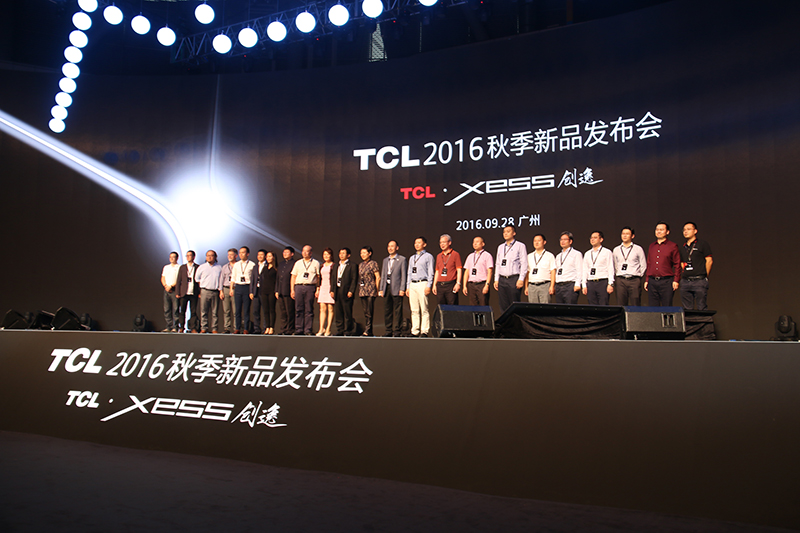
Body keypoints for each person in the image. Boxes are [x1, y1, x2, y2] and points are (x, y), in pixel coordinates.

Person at [644, 222, 681, 306]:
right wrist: (647, 279)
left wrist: (676, 280)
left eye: (661, 229)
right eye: (657, 229)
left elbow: (677, 264)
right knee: (653, 307)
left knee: (667, 306)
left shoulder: (672, 246)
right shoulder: (652, 246)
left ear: (667, 232)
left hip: (666, 281)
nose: (659, 231)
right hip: (652, 281)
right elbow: (649, 263)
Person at [493, 225, 528, 312]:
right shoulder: (500, 247)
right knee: (503, 306)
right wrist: (496, 279)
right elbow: (498, 264)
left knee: (514, 305)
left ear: (514, 233)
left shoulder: (520, 246)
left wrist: (521, 279)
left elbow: (524, 263)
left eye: (508, 231)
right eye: (504, 232)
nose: (505, 233)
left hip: (513, 279)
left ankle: (515, 321)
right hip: (502, 279)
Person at [679, 222, 713, 310]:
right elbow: (682, 262)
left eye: (689, 229)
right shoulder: (683, 247)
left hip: (699, 280)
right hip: (685, 281)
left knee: (701, 307)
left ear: (695, 231)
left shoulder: (702, 244)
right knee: (687, 309)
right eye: (684, 230)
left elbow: (709, 261)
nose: (686, 231)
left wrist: (705, 276)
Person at [405, 236, 435, 337]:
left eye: (419, 242)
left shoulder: (428, 256)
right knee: (414, 309)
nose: (417, 244)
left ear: (424, 244)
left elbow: (431, 272)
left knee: (424, 308)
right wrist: (408, 286)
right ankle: (415, 331)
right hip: (412, 284)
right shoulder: (412, 258)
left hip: (423, 283)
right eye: (415, 243)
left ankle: (424, 331)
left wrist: (429, 285)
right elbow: (409, 273)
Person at [379, 240, 407, 337]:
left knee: (397, 311)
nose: (390, 248)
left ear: (397, 248)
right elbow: (383, 275)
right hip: (386, 287)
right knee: (387, 310)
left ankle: (397, 331)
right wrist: (381, 288)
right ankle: (388, 330)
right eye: (389, 246)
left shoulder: (402, 259)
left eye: (392, 246)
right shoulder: (385, 260)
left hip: (397, 288)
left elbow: (403, 275)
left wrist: (402, 288)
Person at [612, 227, 646, 306]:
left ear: (632, 236)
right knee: (621, 304)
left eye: (627, 234)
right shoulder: (616, 249)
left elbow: (643, 265)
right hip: (621, 280)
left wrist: (638, 276)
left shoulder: (638, 249)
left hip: (634, 280)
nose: (624, 236)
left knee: (635, 303)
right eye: (623, 234)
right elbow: (615, 264)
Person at [291, 245, 321, 335]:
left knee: (309, 309)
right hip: (299, 286)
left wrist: (318, 289)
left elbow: (318, 277)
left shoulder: (316, 263)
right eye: (303, 251)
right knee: (298, 309)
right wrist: (292, 290)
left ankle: (308, 329)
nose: (304, 253)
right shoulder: (298, 263)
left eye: (306, 251)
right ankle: (299, 329)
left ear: (310, 253)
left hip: (310, 287)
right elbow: (293, 276)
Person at [581, 232, 614, 305]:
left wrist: (610, 283)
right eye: (591, 238)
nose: (592, 239)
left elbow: (610, 268)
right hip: (590, 282)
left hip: (602, 282)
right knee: (592, 306)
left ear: (601, 239)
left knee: (603, 305)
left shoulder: (607, 252)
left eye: (595, 238)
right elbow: (585, 270)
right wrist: (584, 285)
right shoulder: (587, 253)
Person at [332, 247, 357, 336]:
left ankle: (347, 330)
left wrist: (351, 290)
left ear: (348, 255)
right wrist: (332, 290)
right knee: (338, 312)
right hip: (337, 290)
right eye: (340, 253)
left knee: (347, 312)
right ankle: (340, 329)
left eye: (343, 253)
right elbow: (333, 278)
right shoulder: (336, 265)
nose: (341, 255)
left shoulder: (352, 265)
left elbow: (354, 279)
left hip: (347, 291)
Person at [230, 246, 255, 334]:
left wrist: (252, 291)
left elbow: (253, 279)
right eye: (240, 253)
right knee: (237, 310)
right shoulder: (236, 264)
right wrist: (231, 289)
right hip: (238, 287)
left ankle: (246, 328)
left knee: (246, 309)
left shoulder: (252, 264)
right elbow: (233, 277)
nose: (241, 254)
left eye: (243, 252)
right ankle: (237, 328)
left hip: (247, 287)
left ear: (247, 254)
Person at [196, 250, 222, 333]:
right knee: (204, 311)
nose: (209, 257)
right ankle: (204, 328)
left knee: (215, 312)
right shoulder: (202, 267)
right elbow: (197, 279)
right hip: (205, 291)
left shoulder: (219, 268)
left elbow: (221, 280)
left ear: (215, 257)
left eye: (211, 255)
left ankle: (214, 328)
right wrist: (202, 287)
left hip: (215, 291)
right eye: (208, 255)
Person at [462, 236, 493, 306]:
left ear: (483, 244)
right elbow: (466, 271)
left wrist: (487, 285)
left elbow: (490, 271)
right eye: (473, 242)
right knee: (473, 306)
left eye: (477, 242)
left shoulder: (487, 255)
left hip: (482, 284)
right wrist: (464, 286)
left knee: (483, 305)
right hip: (471, 285)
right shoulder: (470, 256)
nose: (475, 244)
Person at [433, 234, 462, 305]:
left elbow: (459, 270)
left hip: (450, 285)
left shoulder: (455, 254)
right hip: (440, 285)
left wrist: (458, 283)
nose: (442, 244)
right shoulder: (439, 256)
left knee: (452, 306)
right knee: (441, 307)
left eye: (444, 242)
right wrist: (434, 284)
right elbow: (437, 271)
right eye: (440, 242)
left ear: (449, 242)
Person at [525, 234, 555, 304]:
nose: (536, 242)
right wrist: (526, 286)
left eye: (539, 240)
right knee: (533, 308)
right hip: (532, 286)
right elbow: (527, 272)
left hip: (545, 285)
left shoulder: (549, 255)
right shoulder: (529, 256)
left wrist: (552, 286)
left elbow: (553, 271)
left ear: (544, 242)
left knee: (545, 308)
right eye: (535, 241)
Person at [358, 246, 381, 336]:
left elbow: (377, 277)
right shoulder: (361, 265)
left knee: (369, 311)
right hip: (363, 290)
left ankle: (368, 330)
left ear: (369, 253)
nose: (362, 255)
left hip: (371, 289)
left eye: (364, 253)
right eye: (361, 253)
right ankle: (369, 330)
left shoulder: (373, 263)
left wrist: (377, 290)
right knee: (365, 311)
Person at [554, 232, 582, 304]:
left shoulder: (576, 254)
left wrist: (578, 284)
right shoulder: (558, 256)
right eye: (561, 239)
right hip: (559, 286)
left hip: (570, 285)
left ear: (570, 241)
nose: (562, 241)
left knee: (570, 308)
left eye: (565, 239)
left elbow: (579, 270)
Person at [176, 250, 199, 333]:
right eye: (187, 255)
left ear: (194, 257)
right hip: (183, 292)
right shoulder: (182, 267)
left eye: (190, 255)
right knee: (182, 311)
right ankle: (181, 327)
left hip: (193, 292)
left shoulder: (197, 267)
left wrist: (199, 292)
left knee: (193, 311)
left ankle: (193, 327)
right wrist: (177, 292)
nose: (188, 257)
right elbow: (178, 280)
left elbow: (199, 281)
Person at [275, 246, 296, 335]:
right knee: (283, 312)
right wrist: (276, 290)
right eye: (284, 252)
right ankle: (283, 329)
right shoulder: (281, 264)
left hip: (288, 290)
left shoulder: (294, 263)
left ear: (292, 254)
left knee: (290, 311)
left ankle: (290, 329)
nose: (285, 254)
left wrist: (292, 290)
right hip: (280, 290)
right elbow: (277, 278)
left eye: (287, 252)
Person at [256, 251, 278, 334]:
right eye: (267, 256)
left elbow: (277, 281)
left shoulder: (276, 268)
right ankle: (267, 327)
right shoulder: (265, 268)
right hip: (263, 291)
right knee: (265, 310)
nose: (268, 258)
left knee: (272, 309)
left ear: (273, 257)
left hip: (272, 291)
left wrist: (276, 290)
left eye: (270, 256)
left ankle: (272, 327)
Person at [316, 248, 336, 336]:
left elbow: (334, 279)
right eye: (324, 254)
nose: (326, 256)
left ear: (331, 255)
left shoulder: (334, 266)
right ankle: (321, 328)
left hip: (330, 287)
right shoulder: (322, 265)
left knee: (330, 309)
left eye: (328, 254)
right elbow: (319, 278)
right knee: (322, 309)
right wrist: (318, 289)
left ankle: (328, 329)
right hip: (322, 287)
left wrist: (333, 290)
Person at [249, 250, 269, 334]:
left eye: (261, 255)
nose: (259, 256)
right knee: (255, 311)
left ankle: (265, 328)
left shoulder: (268, 265)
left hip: (264, 290)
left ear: (265, 256)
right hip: (256, 291)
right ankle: (256, 328)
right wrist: (251, 291)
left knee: (265, 310)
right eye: (258, 255)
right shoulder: (255, 266)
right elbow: (252, 280)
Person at [218, 248, 237, 334]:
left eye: (231, 255)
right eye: (228, 255)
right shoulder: (225, 267)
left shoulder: (238, 266)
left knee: (235, 311)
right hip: (225, 288)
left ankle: (236, 328)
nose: (229, 256)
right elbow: (221, 279)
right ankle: (227, 328)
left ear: (236, 256)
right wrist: (221, 291)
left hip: (235, 289)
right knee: (226, 310)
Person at [160, 251, 180, 332]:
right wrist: (165, 286)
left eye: (173, 257)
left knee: (176, 309)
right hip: (166, 290)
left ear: (177, 258)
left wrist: (171, 286)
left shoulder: (179, 267)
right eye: (170, 257)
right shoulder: (166, 267)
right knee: (167, 309)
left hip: (174, 290)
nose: (171, 258)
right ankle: (169, 326)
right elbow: (163, 277)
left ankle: (176, 327)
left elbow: (179, 280)